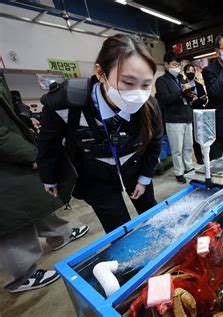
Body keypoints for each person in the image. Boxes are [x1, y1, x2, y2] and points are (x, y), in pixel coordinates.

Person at [37, 34, 163, 234]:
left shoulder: (149, 105)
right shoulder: (65, 103)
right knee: (118, 229)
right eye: (128, 82)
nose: (137, 93)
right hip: (95, 174)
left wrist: (145, 178)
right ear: (101, 72)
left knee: (154, 216)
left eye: (146, 84)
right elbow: (47, 143)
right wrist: (49, 177)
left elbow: (155, 142)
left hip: (134, 167)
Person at [0, 72, 89, 293]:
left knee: (36, 198)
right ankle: (21, 274)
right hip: (7, 158)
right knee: (12, 218)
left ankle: (61, 234)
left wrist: (23, 121)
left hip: (13, 149)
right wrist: (32, 154)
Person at [155, 53, 195, 183]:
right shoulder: (161, 81)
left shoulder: (181, 79)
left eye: (178, 65)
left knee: (188, 146)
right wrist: (181, 92)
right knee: (177, 148)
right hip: (174, 119)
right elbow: (165, 99)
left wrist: (190, 95)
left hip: (186, 117)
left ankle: (189, 167)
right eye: (173, 65)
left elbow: (184, 97)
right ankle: (179, 172)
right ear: (166, 65)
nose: (176, 67)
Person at [183, 64, 207, 165]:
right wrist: (190, 100)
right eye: (188, 71)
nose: (191, 73)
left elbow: (204, 100)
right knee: (193, 137)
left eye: (192, 71)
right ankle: (199, 158)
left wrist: (203, 99)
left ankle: (205, 154)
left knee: (201, 135)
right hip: (188, 114)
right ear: (185, 73)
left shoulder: (199, 85)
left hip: (199, 112)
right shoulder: (182, 85)